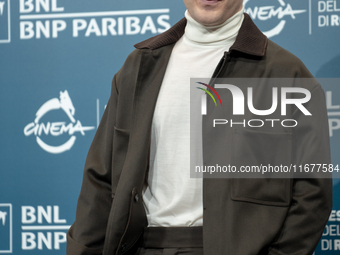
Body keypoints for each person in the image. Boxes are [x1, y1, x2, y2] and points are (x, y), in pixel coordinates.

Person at [67, 0, 333, 254]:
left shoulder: (288, 75)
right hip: (143, 245)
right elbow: (101, 181)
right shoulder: (137, 68)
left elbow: (312, 195)